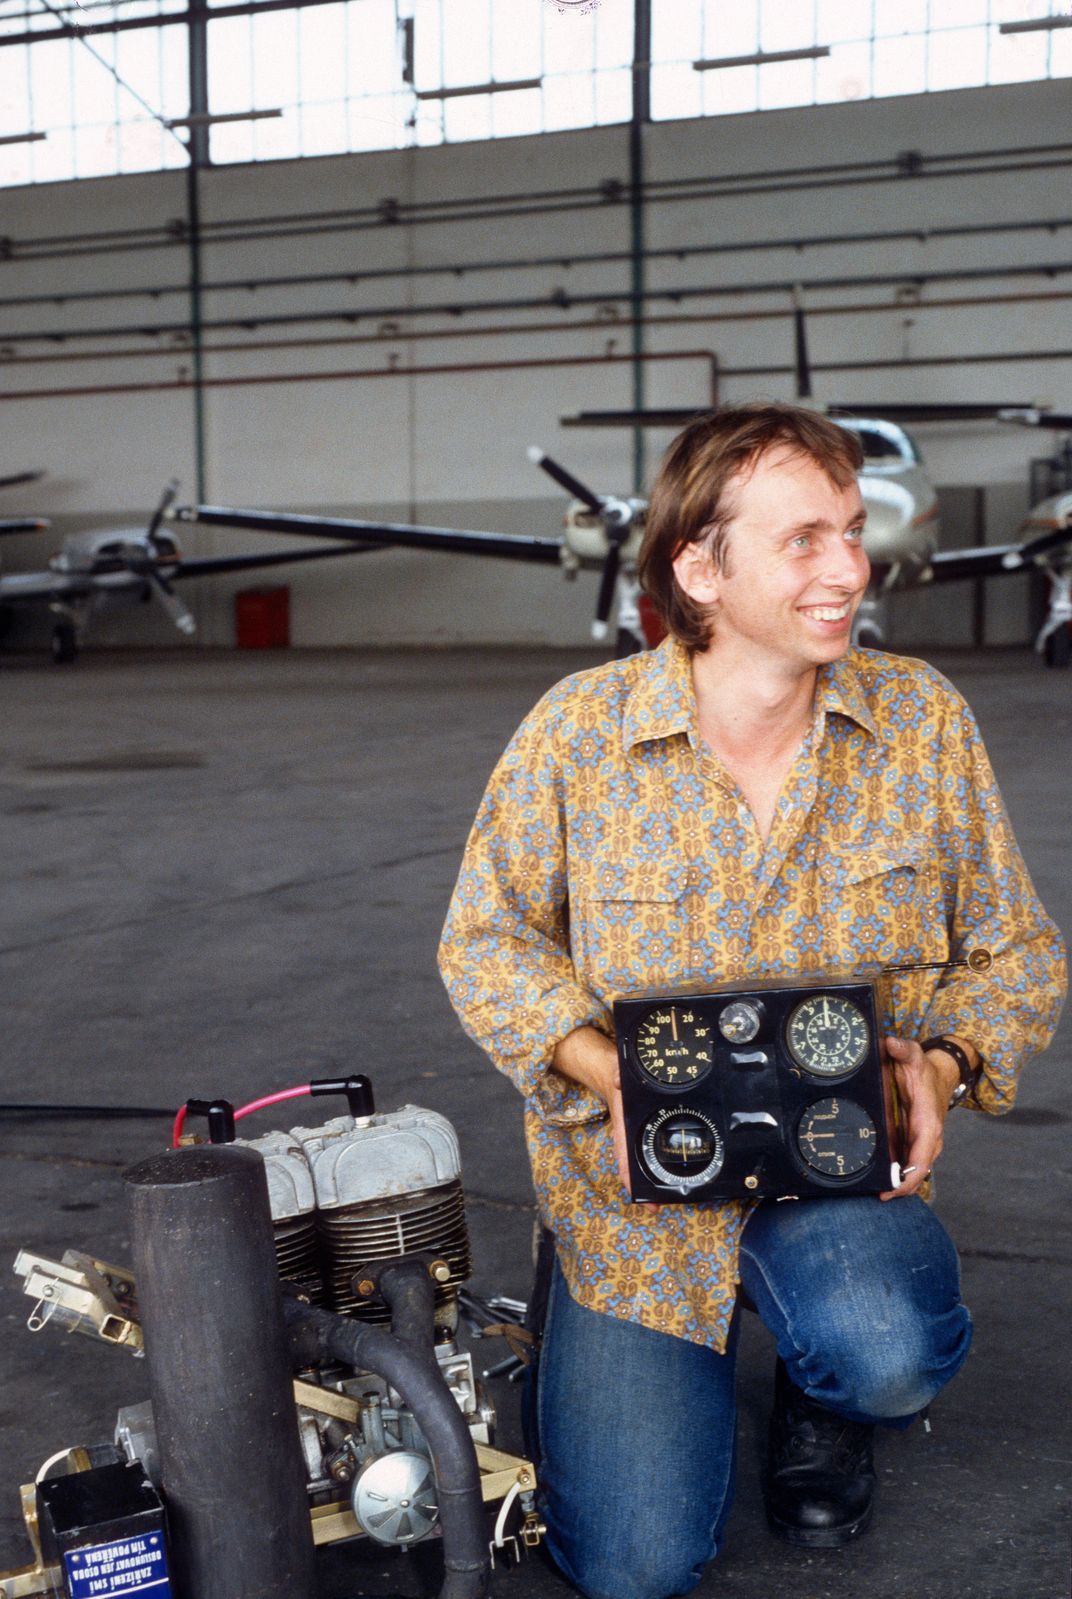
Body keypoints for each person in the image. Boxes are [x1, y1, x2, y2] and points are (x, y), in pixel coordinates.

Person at [438, 403, 1066, 1599]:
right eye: (803, 540)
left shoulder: (920, 724)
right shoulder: (577, 736)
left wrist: (936, 1067)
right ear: (699, 567)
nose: (848, 567)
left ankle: (819, 1395)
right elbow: (486, 942)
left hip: (837, 1170)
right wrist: (603, 1070)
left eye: (848, 531)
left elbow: (1018, 951)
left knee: (880, 1353)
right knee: (630, 1568)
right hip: (636, 1207)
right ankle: (594, 1312)